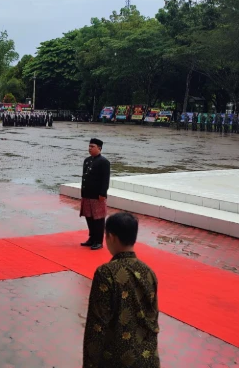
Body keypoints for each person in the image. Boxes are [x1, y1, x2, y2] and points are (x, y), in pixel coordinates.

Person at [83, 212, 160, 368]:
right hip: (147, 357)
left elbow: (97, 325)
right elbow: (153, 318)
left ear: (111, 237)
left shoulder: (106, 273)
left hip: (116, 358)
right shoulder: (148, 272)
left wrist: (89, 363)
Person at [80, 138, 110, 250]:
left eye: (92, 146)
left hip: (97, 196)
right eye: (89, 146)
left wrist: (103, 193)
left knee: (98, 219)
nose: (90, 148)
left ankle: (98, 241)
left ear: (99, 148)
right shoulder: (87, 160)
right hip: (87, 194)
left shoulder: (104, 162)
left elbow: (105, 180)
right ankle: (91, 238)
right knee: (89, 217)